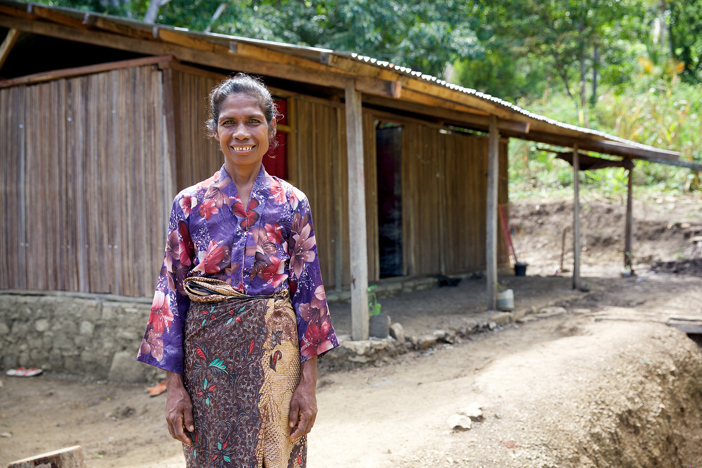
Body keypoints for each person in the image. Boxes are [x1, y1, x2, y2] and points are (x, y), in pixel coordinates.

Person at [136, 73, 339, 468]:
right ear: (215, 130)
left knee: (275, 456)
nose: (241, 132)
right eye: (229, 122)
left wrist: (308, 386)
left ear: (270, 128)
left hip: (277, 361)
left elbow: (309, 299)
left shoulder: (293, 203)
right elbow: (170, 296)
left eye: (253, 121)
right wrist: (174, 388)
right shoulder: (189, 204)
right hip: (207, 365)